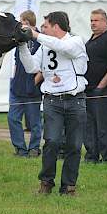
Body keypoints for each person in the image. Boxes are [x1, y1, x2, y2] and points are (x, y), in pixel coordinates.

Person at [19, 11, 87, 196]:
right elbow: (32, 67)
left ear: (56, 26)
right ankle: (46, 183)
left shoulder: (76, 41)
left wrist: (35, 35)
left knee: (74, 145)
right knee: (52, 141)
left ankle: (69, 186)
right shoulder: (43, 46)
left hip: (75, 99)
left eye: (46, 26)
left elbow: (64, 49)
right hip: (52, 100)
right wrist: (23, 45)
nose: (42, 29)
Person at [8, 10, 42, 158]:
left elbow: (43, 66)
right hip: (18, 87)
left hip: (32, 88)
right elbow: (17, 61)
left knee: (34, 122)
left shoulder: (40, 40)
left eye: (22, 22)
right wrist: (14, 79)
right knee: (13, 118)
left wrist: (35, 82)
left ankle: (34, 148)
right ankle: (20, 149)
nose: (20, 25)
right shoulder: (20, 40)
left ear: (28, 23)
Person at [84, 9, 107, 163]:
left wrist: (101, 85)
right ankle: (91, 155)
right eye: (92, 20)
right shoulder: (91, 39)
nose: (93, 23)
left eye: (97, 20)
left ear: (105, 21)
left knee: (103, 126)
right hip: (88, 90)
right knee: (89, 125)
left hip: (102, 90)